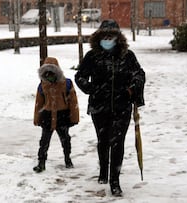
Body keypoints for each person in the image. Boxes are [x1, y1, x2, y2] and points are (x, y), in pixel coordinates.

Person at [74, 19, 145, 196]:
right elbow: (80, 76)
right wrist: (92, 89)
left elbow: (139, 74)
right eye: (104, 35)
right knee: (103, 140)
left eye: (111, 35)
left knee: (118, 143)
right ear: (99, 36)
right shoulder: (92, 56)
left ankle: (115, 181)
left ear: (117, 37)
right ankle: (103, 171)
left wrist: (132, 89)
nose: (107, 39)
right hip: (99, 108)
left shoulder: (127, 56)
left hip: (122, 107)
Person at [33, 57, 80, 173]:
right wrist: (37, 118)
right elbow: (39, 103)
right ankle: (41, 162)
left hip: (62, 116)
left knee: (65, 140)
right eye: (46, 73)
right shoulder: (42, 85)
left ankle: (67, 158)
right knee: (44, 141)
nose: (49, 75)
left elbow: (73, 101)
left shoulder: (66, 83)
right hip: (47, 116)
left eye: (52, 72)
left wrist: (74, 117)